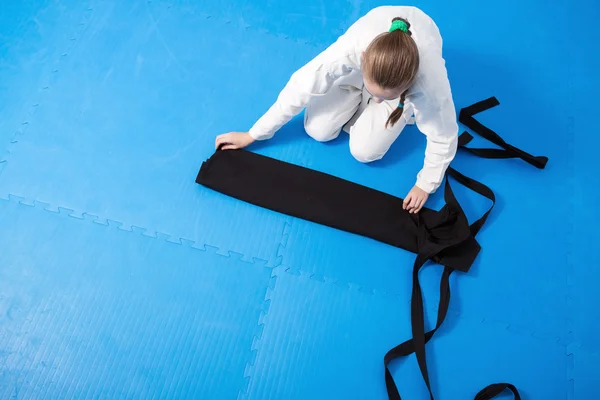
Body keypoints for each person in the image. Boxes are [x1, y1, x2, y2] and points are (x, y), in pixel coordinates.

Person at [215, 6, 458, 214]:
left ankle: (390, 100)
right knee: (317, 130)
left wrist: (426, 184)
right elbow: (299, 88)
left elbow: (444, 134)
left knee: (365, 151)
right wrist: (253, 134)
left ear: (410, 83)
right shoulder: (351, 49)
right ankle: (371, 88)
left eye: (386, 95)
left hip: (404, 66)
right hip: (363, 69)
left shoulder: (428, 82)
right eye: (374, 92)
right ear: (363, 58)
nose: (376, 99)